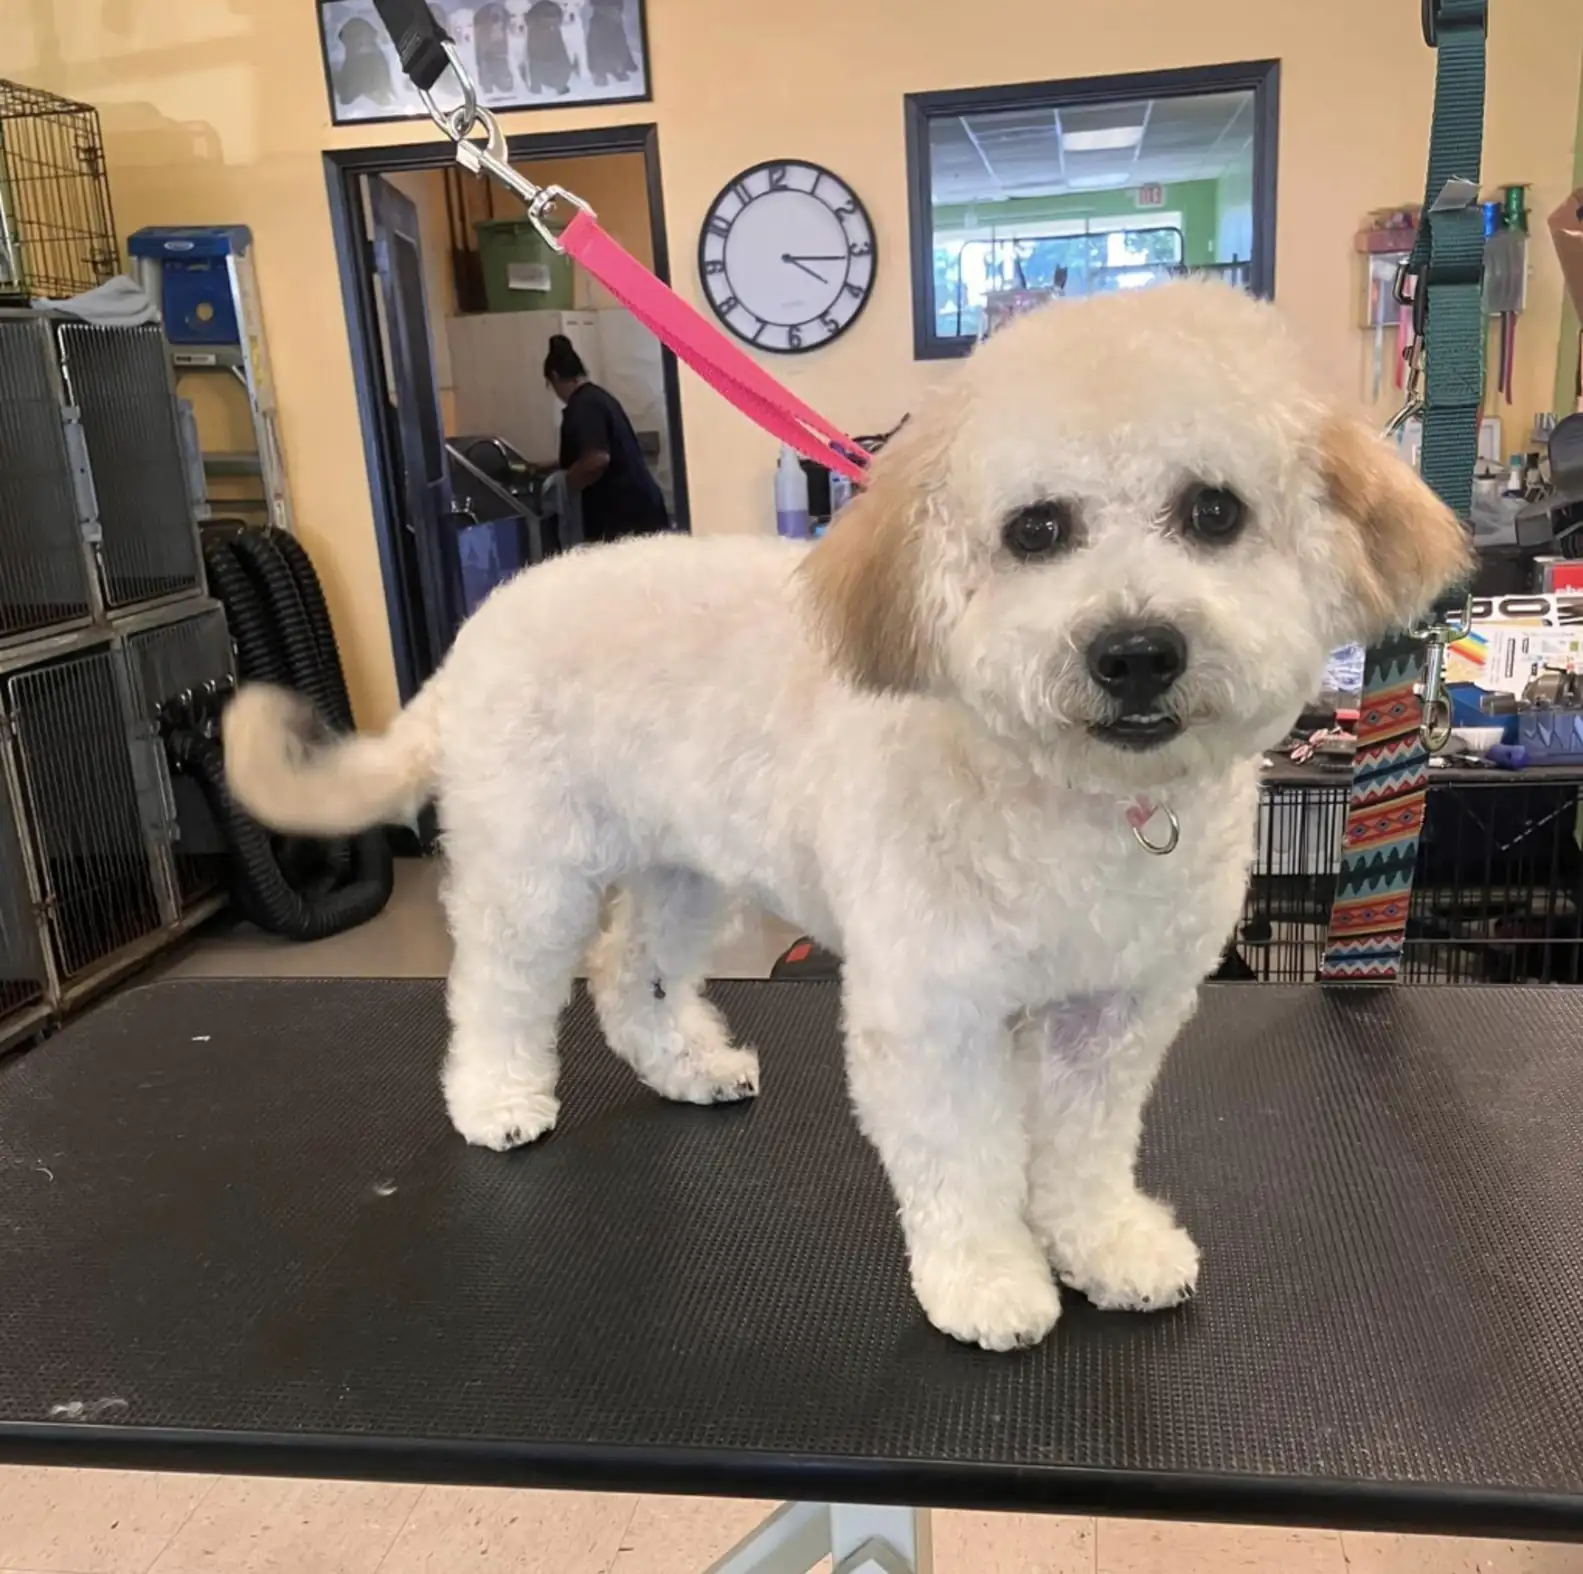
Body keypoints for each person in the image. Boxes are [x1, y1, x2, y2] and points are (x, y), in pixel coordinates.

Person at [543, 335, 668, 543]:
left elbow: (597, 459)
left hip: (626, 520)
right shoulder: (596, 397)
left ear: (555, 376)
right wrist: (551, 467)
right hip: (640, 511)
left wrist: (565, 486)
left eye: (550, 384)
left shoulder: (583, 405)